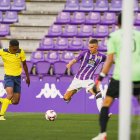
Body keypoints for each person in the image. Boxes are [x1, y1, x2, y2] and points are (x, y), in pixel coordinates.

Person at [92, 13, 140, 140]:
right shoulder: (139, 35)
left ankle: (102, 134)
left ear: (118, 23)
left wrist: (100, 77)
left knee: (106, 103)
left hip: (120, 76)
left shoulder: (114, 36)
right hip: (137, 75)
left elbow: (109, 60)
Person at [63, 38, 106, 112]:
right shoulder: (84, 53)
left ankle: (103, 113)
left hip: (88, 80)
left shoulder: (101, 57)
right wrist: (70, 64)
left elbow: (110, 61)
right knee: (66, 98)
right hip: (77, 79)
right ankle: (74, 91)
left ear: (97, 47)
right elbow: (75, 59)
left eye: (92, 47)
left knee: (97, 93)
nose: (90, 49)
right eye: (89, 47)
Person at [0, 39, 30, 120]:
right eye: (14, 49)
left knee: (15, 102)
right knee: (9, 95)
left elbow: (24, 65)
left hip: (17, 78)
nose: (15, 50)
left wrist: (28, 77)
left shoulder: (20, 52)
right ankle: (1, 115)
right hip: (8, 77)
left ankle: (2, 101)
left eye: (16, 49)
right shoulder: (2, 51)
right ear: (10, 46)